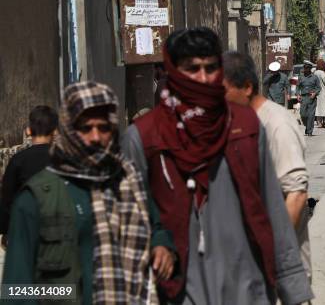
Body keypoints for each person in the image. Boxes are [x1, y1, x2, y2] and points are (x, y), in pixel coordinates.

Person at [121, 27, 313, 305]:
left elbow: (273, 209)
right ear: (174, 73)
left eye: (211, 68)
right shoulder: (144, 137)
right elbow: (131, 221)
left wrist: (292, 289)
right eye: (192, 69)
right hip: (179, 289)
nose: (203, 78)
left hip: (247, 287)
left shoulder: (244, 126)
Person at [2, 81, 175, 304]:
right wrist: (63, 292)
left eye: (103, 128)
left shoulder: (129, 182)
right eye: (85, 128)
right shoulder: (36, 199)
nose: (95, 137)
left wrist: (162, 246)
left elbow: (157, 227)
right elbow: (15, 291)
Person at [223, 51, 312, 280]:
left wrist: (271, 249)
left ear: (246, 87)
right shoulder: (235, 123)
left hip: (277, 268)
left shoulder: (276, 124)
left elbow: (296, 194)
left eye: (223, 91)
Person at [0, 105, 58, 246]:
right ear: (55, 131)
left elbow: (7, 199)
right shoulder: (63, 159)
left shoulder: (18, 160)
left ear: (29, 131)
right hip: (57, 234)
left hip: (25, 233)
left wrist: (6, 231)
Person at [297, 62, 321, 136]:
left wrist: (315, 93)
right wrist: (298, 94)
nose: (306, 70)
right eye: (305, 68)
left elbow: (319, 87)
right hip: (303, 98)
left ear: (310, 69)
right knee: (303, 114)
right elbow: (298, 87)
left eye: (307, 68)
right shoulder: (301, 77)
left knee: (311, 115)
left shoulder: (315, 77)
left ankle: (310, 131)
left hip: (311, 98)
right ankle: (307, 126)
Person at [313, 60, 325, 128]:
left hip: (316, 92)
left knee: (318, 108)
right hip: (323, 91)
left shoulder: (315, 72)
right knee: (324, 107)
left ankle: (319, 123)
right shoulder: (322, 73)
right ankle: (324, 122)